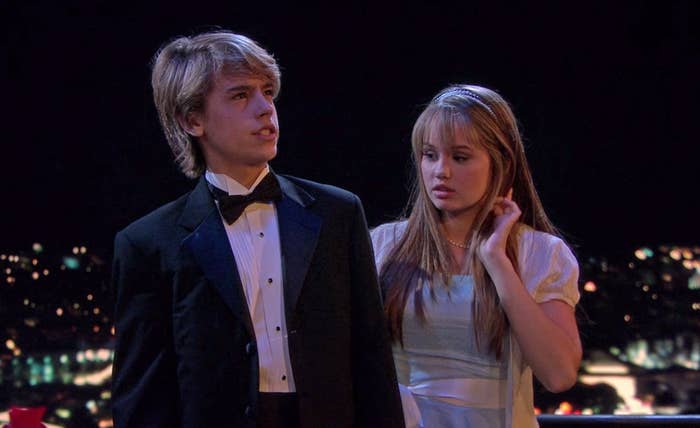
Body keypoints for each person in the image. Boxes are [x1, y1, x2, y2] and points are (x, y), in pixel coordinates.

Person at [111, 30, 404, 428]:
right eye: (240, 95)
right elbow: (142, 399)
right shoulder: (147, 244)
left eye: (268, 92)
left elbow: (373, 361)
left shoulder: (339, 214)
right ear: (192, 119)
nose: (266, 108)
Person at [371, 84, 582, 427]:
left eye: (460, 157)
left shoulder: (539, 254)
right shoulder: (382, 246)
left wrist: (497, 261)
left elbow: (558, 374)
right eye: (429, 155)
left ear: (499, 163)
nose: (441, 171)